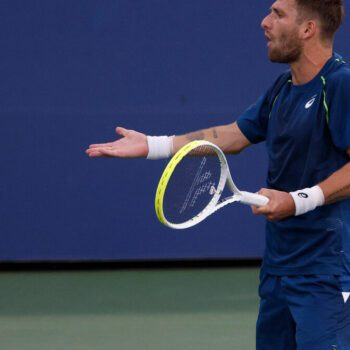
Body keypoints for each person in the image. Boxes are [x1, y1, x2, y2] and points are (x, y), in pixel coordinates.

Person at [86, 0, 350, 348]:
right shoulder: (282, 90)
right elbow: (234, 135)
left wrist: (299, 201)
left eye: (278, 14)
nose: (264, 22)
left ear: (308, 29)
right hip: (278, 269)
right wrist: (154, 145)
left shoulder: (339, 84)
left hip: (324, 273)